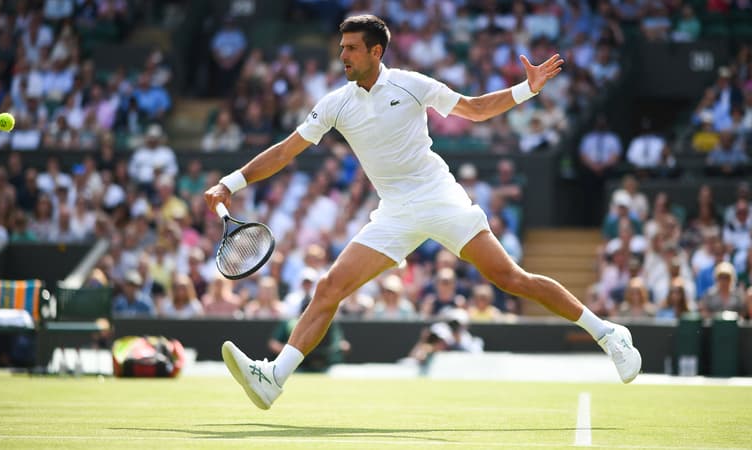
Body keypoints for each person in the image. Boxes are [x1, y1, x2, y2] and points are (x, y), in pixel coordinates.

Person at [205, 15, 641, 410]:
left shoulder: (412, 84)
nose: (343, 56)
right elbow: (286, 151)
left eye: (352, 48)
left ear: (376, 51)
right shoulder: (335, 103)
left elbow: (473, 109)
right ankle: (274, 377)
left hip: (439, 198)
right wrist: (232, 182)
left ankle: (607, 333)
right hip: (394, 212)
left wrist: (527, 88)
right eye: (341, 49)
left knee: (511, 279)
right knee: (329, 286)